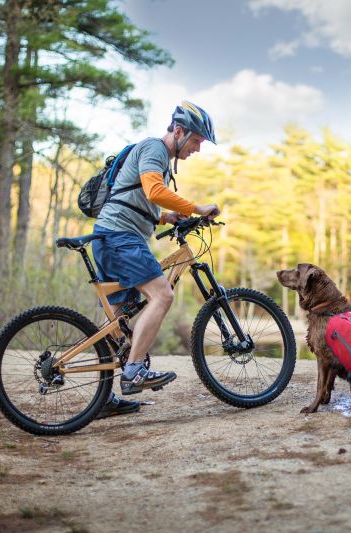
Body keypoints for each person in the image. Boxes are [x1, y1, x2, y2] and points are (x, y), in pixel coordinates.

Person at [91, 101, 220, 419]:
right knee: (162, 295)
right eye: (196, 141)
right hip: (121, 238)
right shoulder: (155, 149)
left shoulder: (157, 157)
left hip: (110, 236)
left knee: (117, 322)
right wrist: (196, 208)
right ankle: (134, 371)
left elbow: (139, 196)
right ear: (179, 131)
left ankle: (103, 397)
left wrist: (165, 217)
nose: (197, 149)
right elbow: (152, 189)